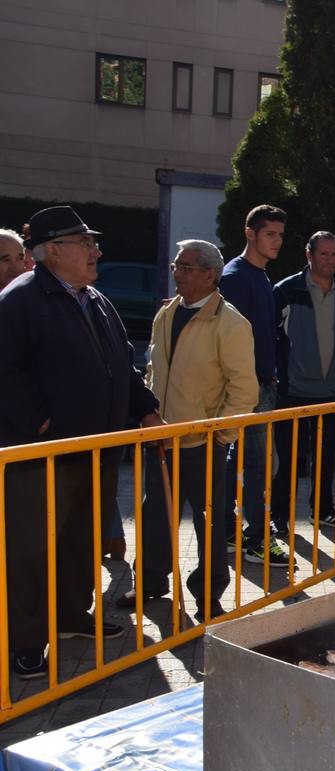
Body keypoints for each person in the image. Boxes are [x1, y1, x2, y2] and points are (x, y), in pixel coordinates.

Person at [0, 206, 165, 680]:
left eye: (93, 242)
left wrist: (146, 408)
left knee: (80, 541)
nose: (97, 251)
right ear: (53, 250)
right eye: (84, 243)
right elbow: (4, 372)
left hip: (96, 450)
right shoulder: (20, 300)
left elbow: (122, 365)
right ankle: (25, 640)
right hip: (42, 456)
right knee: (31, 550)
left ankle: (71, 616)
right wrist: (41, 424)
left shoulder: (95, 298)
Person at [128, 240, 258, 619]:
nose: (177, 273)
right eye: (176, 265)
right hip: (161, 437)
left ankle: (208, 593)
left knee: (210, 521)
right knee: (155, 514)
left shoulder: (230, 323)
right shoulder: (166, 313)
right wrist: (149, 414)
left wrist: (221, 435)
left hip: (204, 442)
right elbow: (154, 371)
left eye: (186, 267)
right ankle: (150, 580)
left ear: (210, 274)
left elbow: (244, 389)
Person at [217, 204, 289, 567]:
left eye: (280, 235)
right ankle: (258, 538)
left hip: (261, 382)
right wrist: (249, 384)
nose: (277, 241)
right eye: (269, 234)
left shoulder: (259, 276)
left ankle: (231, 528)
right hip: (249, 386)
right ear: (250, 233)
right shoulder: (234, 277)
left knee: (243, 460)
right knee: (261, 465)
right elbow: (227, 339)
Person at [271, 231, 335, 531]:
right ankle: (279, 517)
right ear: (309, 255)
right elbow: (270, 338)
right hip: (293, 391)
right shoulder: (286, 291)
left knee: (327, 458)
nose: (330, 260)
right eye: (324, 254)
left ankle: (323, 511)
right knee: (289, 460)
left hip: (332, 391)